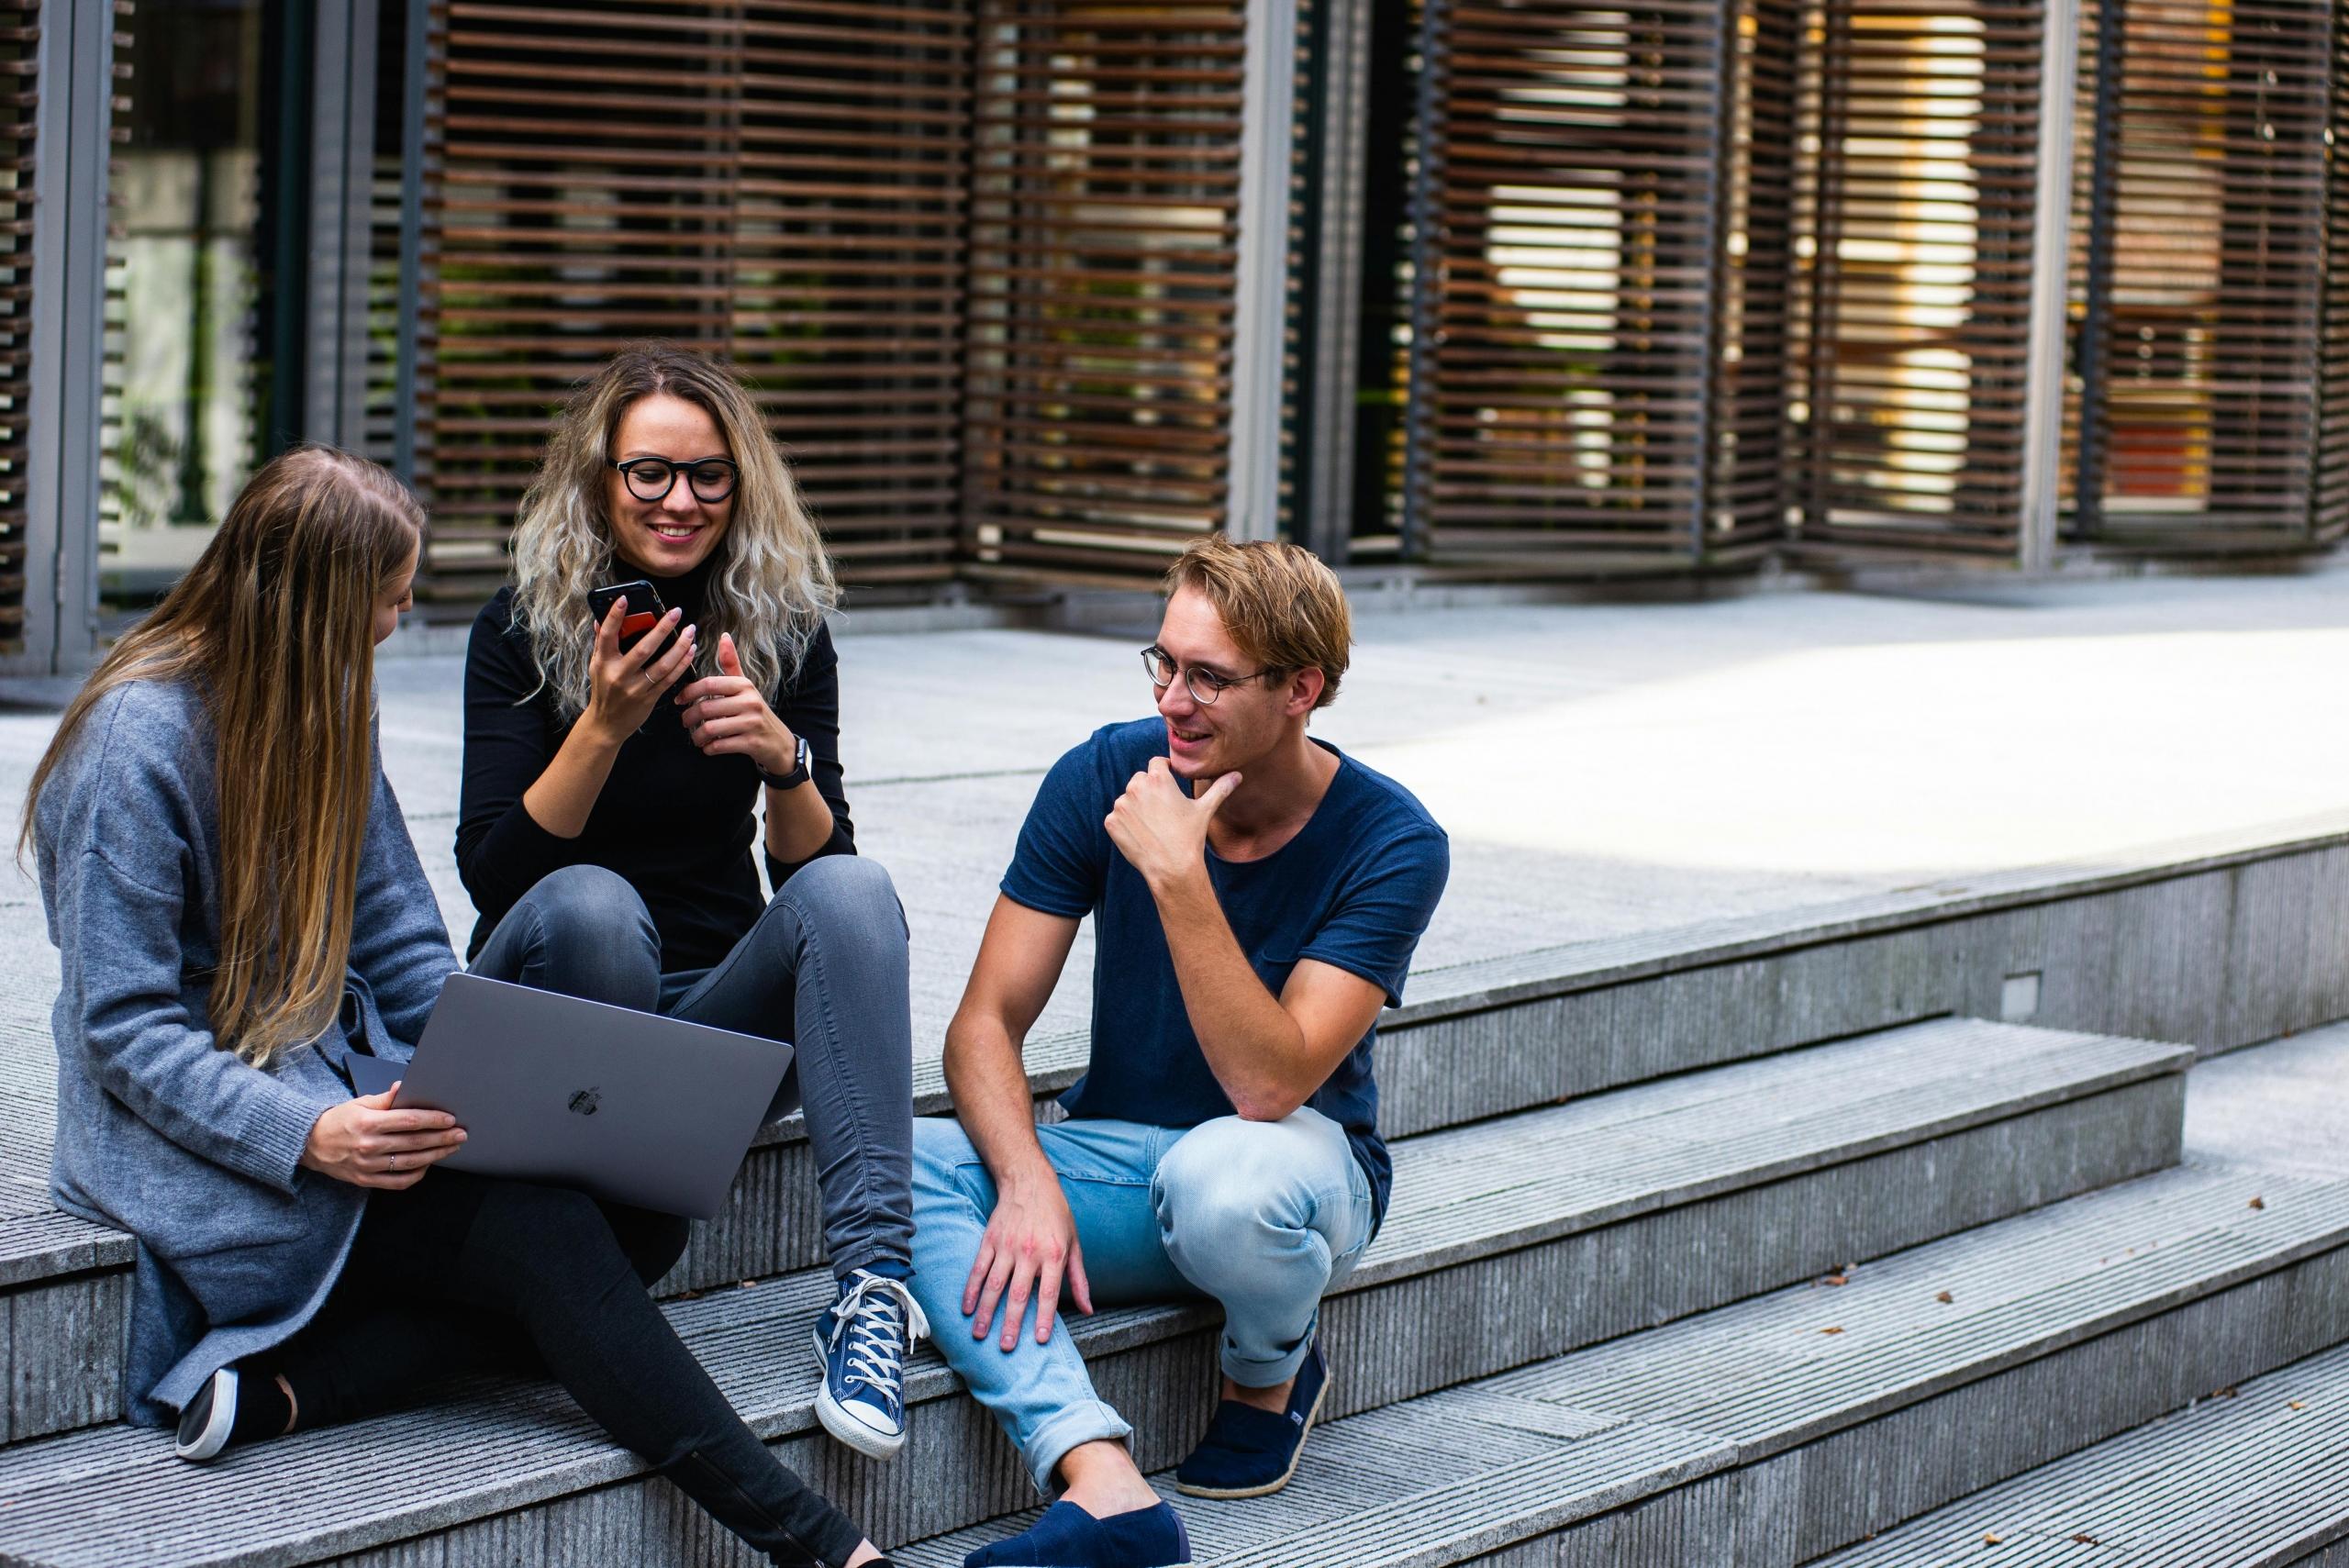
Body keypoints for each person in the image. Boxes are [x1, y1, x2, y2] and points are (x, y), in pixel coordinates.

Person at [24, 448, 899, 1568]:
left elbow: (399, 940)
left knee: (642, 1223)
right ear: (312, 601)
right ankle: (818, 1542)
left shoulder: (325, 701)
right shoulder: (132, 744)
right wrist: (309, 1132)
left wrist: (471, 1074)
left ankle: (298, 1386)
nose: (393, 627)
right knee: (547, 1233)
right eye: (385, 604)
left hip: (347, 1095)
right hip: (211, 1144)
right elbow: (125, 1027)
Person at [907, 538, 1451, 1568]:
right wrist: (1024, 1179)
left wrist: (1179, 875)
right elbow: (983, 1022)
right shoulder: (1105, 770)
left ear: (1301, 687)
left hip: (1290, 1170)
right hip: (1117, 1157)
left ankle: (1268, 1366)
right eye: (1162, 663)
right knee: (894, 1158)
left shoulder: (1392, 840)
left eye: (1208, 676)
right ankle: (1098, 1476)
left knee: (1226, 1177)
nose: (1173, 698)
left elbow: (1269, 1081)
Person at [455, 344, 922, 1460]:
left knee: (856, 891)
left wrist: (782, 759)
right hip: (559, 1002)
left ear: (742, 482)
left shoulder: (782, 627)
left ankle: (871, 1292)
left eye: (708, 475)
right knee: (594, 907)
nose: (679, 501)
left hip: (707, 1026)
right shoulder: (519, 630)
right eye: (648, 473)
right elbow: (495, 876)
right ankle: (580, 1247)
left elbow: (819, 886)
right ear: (599, 479)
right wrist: (603, 724)